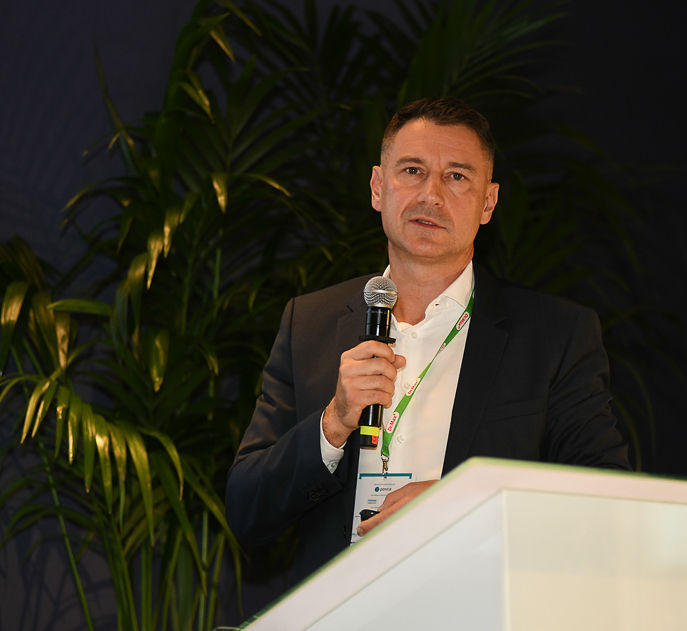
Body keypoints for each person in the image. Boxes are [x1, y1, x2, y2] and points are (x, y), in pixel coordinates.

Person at [225, 98, 629, 585]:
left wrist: (464, 507)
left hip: (477, 614)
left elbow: (605, 500)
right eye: (412, 171)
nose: (431, 195)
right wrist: (332, 424)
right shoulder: (309, 323)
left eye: (456, 176)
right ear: (378, 188)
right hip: (337, 617)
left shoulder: (554, 335)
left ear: (488, 203)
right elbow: (246, 510)